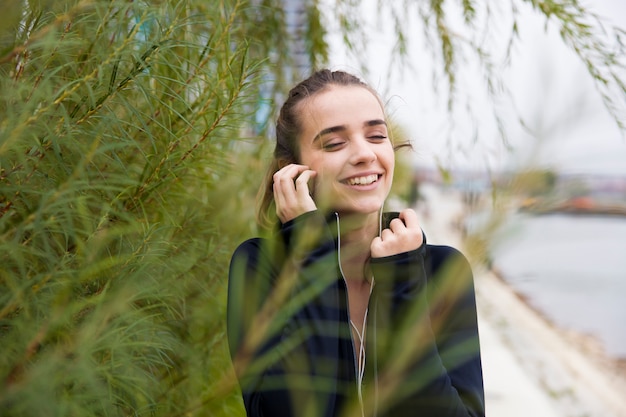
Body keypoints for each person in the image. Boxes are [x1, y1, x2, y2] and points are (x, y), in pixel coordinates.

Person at [227, 69, 484, 417]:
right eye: (334, 143)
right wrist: (312, 253)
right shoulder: (260, 267)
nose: (365, 154)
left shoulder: (442, 270)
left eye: (376, 136)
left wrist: (403, 286)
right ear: (292, 170)